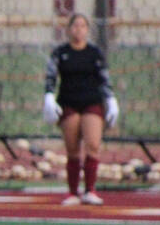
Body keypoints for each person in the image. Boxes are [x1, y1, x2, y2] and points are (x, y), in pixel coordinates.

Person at [42, 12, 118, 206]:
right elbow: (51, 76)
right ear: (68, 30)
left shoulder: (94, 53)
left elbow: (104, 78)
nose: (79, 30)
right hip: (69, 101)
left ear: (87, 30)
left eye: (83, 26)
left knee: (93, 144)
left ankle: (90, 190)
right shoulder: (61, 52)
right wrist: (49, 96)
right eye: (75, 26)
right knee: (73, 148)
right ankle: (73, 191)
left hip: (91, 100)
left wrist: (110, 99)